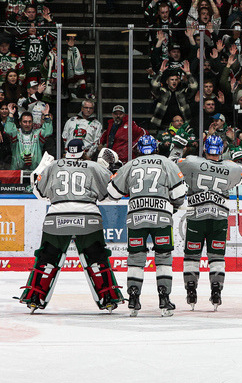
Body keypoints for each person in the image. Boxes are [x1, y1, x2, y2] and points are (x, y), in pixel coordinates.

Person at [18, 138, 123, 311]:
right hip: (88, 217)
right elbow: (112, 194)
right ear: (83, 151)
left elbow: (39, 193)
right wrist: (112, 170)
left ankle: (34, 296)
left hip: (56, 216)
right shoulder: (94, 167)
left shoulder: (53, 166)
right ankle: (108, 297)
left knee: (47, 258)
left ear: (67, 150)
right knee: (97, 258)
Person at [107, 134, 188, 317]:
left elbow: (113, 193)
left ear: (138, 149)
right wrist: (169, 205)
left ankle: (134, 299)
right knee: (164, 257)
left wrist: (117, 174)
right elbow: (179, 195)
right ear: (156, 148)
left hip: (136, 217)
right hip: (161, 218)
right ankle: (164, 299)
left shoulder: (130, 165)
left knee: (136, 258)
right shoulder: (167, 163)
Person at [177, 135, 242, 310]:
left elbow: (173, 165)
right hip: (219, 219)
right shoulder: (230, 167)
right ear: (221, 151)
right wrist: (238, 157)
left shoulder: (192, 162)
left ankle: (191, 291)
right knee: (217, 257)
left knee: (192, 256)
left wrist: (177, 147)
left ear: (205, 149)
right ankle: (216, 291)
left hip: (196, 218)